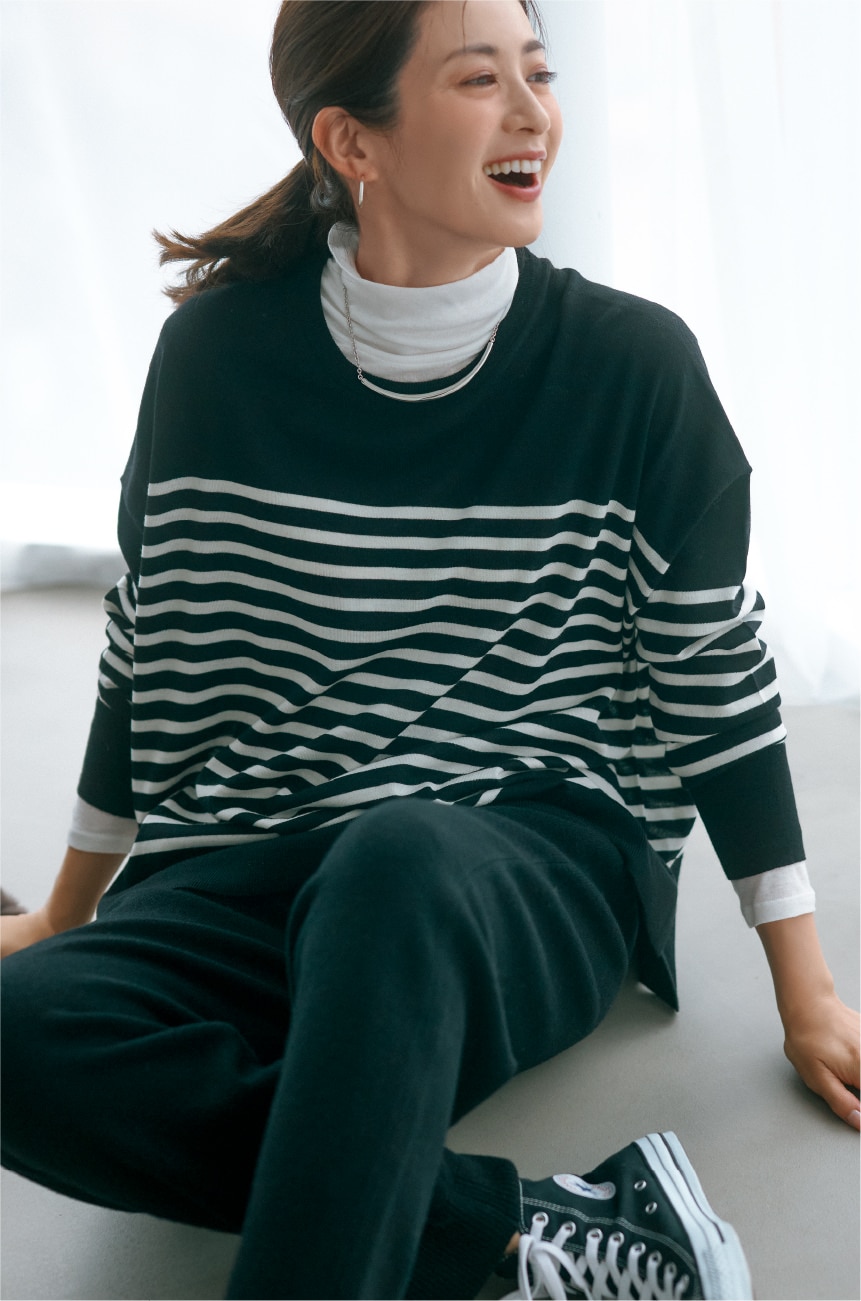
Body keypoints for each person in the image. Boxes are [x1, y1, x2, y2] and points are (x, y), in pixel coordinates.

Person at [1, 2, 858, 1298]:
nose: (532, 114)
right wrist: (68, 917)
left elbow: (710, 672)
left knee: (397, 853)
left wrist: (806, 992)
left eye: (538, 72)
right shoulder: (216, 357)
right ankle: (539, 1228)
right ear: (352, 140)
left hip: (519, 867)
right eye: (478, 79)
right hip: (247, 861)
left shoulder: (632, 365)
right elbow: (151, 640)